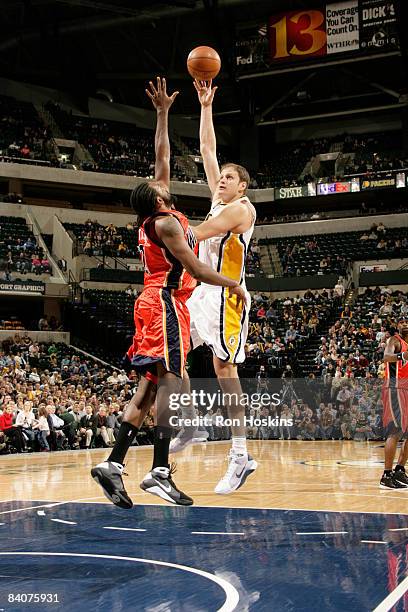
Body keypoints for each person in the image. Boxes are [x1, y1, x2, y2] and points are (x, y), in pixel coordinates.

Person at [91, 77, 245, 509]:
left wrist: (162, 114)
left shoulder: (154, 216)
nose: (164, 180)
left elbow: (163, 155)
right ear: (156, 198)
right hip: (165, 304)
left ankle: (113, 464)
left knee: (152, 386)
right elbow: (196, 267)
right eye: (159, 185)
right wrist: (232, 283)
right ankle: (160, 471)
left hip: (150, 303)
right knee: (172, 385)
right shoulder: (168, 223)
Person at [170, 79, 257, 495]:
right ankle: (189, 427)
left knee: (225, 370)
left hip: (227, 294)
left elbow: (202, 231)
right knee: (176, 354)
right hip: (200, 290)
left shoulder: (241, 210)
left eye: (229, 177)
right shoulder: (220, 199)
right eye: (220, 177)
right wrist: (205, 105)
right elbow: (207, 149)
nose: (221, 179)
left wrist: (167, 230)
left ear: (243, 186)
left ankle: (240, 454)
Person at [380, 318, 408, 489]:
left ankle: (399, 469)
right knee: (395, 430)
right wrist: (402, 355)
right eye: (402, 322)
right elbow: (386, 357)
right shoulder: (395, 341)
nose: (405, 323)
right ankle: (386, 474)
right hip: (395, 387)